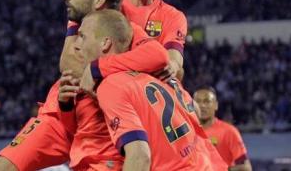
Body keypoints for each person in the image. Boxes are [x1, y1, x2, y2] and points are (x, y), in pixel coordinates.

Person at [0, 0, 168, 171]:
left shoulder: (122, 29)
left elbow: (158, 55)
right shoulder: (76, 20)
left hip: (100, 123)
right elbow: (67, 65)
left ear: (98, 1)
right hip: (60, 113)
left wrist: (97, 69)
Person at [72, 10, 217, 170]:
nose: (76, 45)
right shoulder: (156, 72)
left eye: (82, 37)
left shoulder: (111, 86)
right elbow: (195, 110)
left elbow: (140, 158)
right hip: (207, 162)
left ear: (105, 43)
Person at [194, 86, 253, 171]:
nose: (202, 105)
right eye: (198, 102)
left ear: (216, 105)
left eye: (207, 101)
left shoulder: (229, 131)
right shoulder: (186, 132)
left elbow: (245, 168)